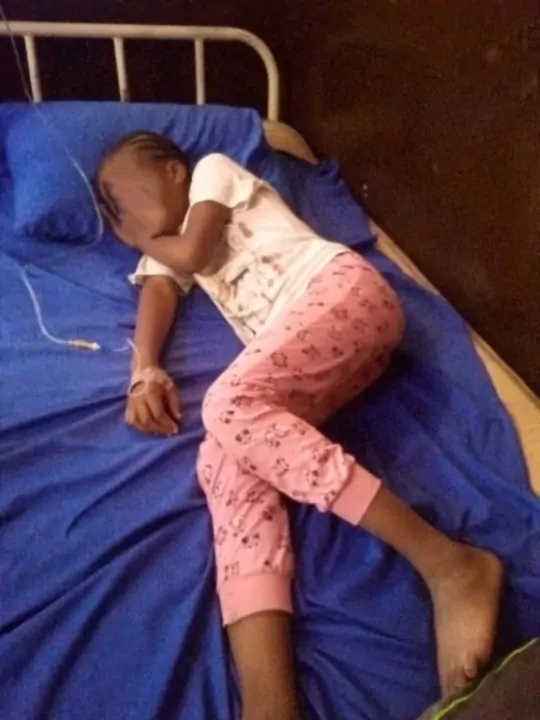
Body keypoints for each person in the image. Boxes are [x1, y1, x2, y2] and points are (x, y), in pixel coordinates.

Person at [98, 131, 503, 720]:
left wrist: (141, 237)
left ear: (172, 171)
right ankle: (270, 702)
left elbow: (190, 254)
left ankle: (448, 564)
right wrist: (144, 372)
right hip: (316, 357)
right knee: (223, 456)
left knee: (226, 405)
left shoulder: (212, 172)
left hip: (343, 295)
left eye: (123, 197)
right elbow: (159, 290)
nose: (119, 216)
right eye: (111, 212)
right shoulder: (166, 245)